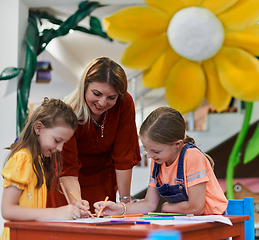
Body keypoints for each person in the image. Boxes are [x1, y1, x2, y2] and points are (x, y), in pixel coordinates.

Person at [47, 57, 141, 213]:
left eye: (111, 97)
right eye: (97, 94)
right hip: (68, 184)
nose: (103, 103)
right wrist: (77, 204)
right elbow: (68, 168)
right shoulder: (68, 113)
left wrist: (125, 204)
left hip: (102, 180)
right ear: (84, 86)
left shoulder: (124, 104)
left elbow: (123, 156)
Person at [94, 106, 228, 216]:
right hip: (186, 220)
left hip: (212, 221)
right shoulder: (157, 161)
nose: (150, 156)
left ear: (177, 144)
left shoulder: (192, 156)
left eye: (156, 151)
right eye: (146, 150)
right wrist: (119, 209)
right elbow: (149, 204)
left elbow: (196, 208)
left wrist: (167, 206)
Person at [1, 98, 83, 240]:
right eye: (57, 141)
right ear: (38, 128)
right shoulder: (22, 159)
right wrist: (55, 213)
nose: (60, 148)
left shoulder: (38, 160)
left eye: (64, 143)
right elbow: (7, 210)